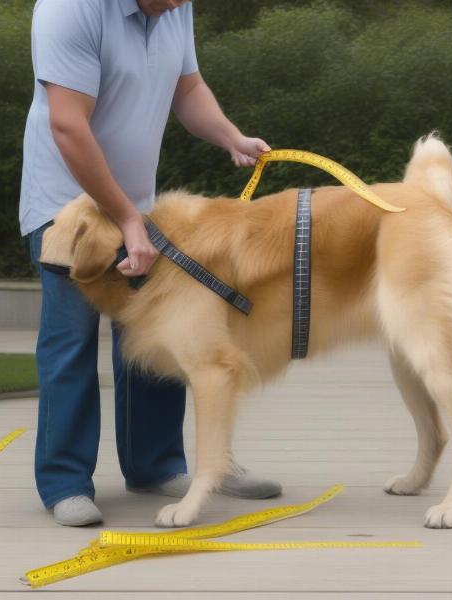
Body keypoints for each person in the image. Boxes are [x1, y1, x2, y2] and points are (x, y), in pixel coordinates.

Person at [20, 0, 281, 527]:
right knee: (70, 343)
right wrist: (126, 219)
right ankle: (65, 482)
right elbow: (68, 126)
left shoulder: (172, 8)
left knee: (163, 336)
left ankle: (156, 465)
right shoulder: (70, 10)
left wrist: (230, 135)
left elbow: (187, 88)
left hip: (137, 208)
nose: (184, 3)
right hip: (68, 214)